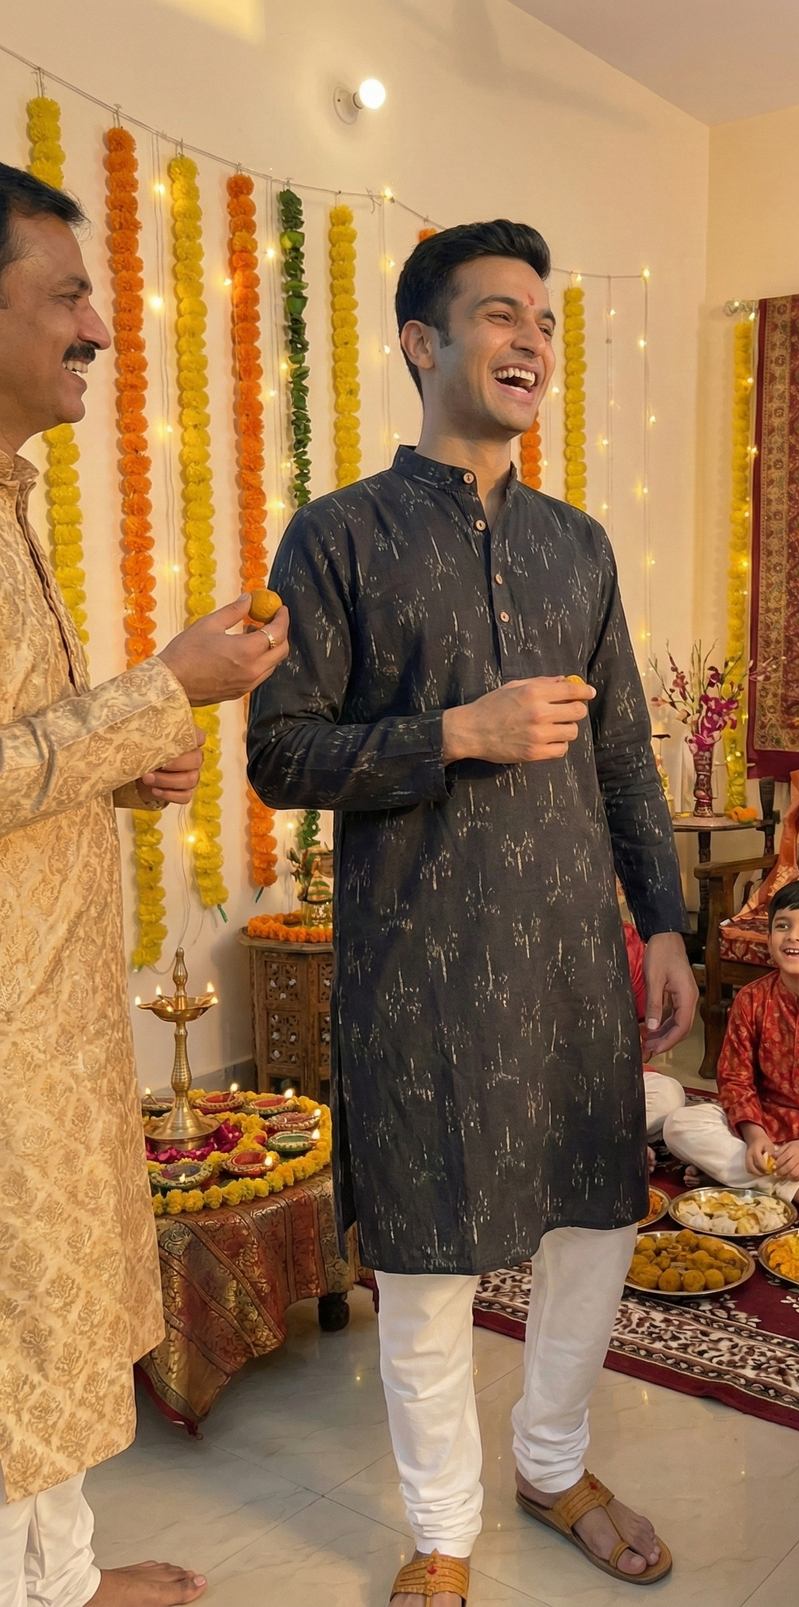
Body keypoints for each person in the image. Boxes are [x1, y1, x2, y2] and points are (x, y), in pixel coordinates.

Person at [246, 221, 696, 1607]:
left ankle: (553, 1462)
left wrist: (664, 919)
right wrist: (456, 731)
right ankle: (440, 1529)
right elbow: (280, 749)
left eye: (547, 321)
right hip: (421, 957)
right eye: (502, 314)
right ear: (422, 342)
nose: (533, 342)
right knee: (431, 1258)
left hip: (572, 952)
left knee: (593, 1227)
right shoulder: (339, 537)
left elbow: (623, 746)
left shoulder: (579, 544)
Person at [0, 164, 289, 1606]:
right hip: (3, 1027)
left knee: (44, 1327)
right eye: (66, 293)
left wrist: (128, 755)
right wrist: (159, 687)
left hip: (44, 1008)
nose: (99, 323)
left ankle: (62, 1577)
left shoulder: (13, 498)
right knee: (9, 1331)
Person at [663, 879, 799, 1222]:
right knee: (680, 1124)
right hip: (761, 1131)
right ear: (769, 940)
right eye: (782, 926)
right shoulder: (751, 999)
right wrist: (754, 1136)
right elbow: (734, 1080)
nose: (793, 936)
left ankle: (733, 1175)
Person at [622, 920, 687, 1140]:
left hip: (610, 1080)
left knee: (668, 1097)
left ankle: (618, 1142)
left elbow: (643, 1040)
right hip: (533, 1087)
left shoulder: (625, 942)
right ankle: (622, 1144)